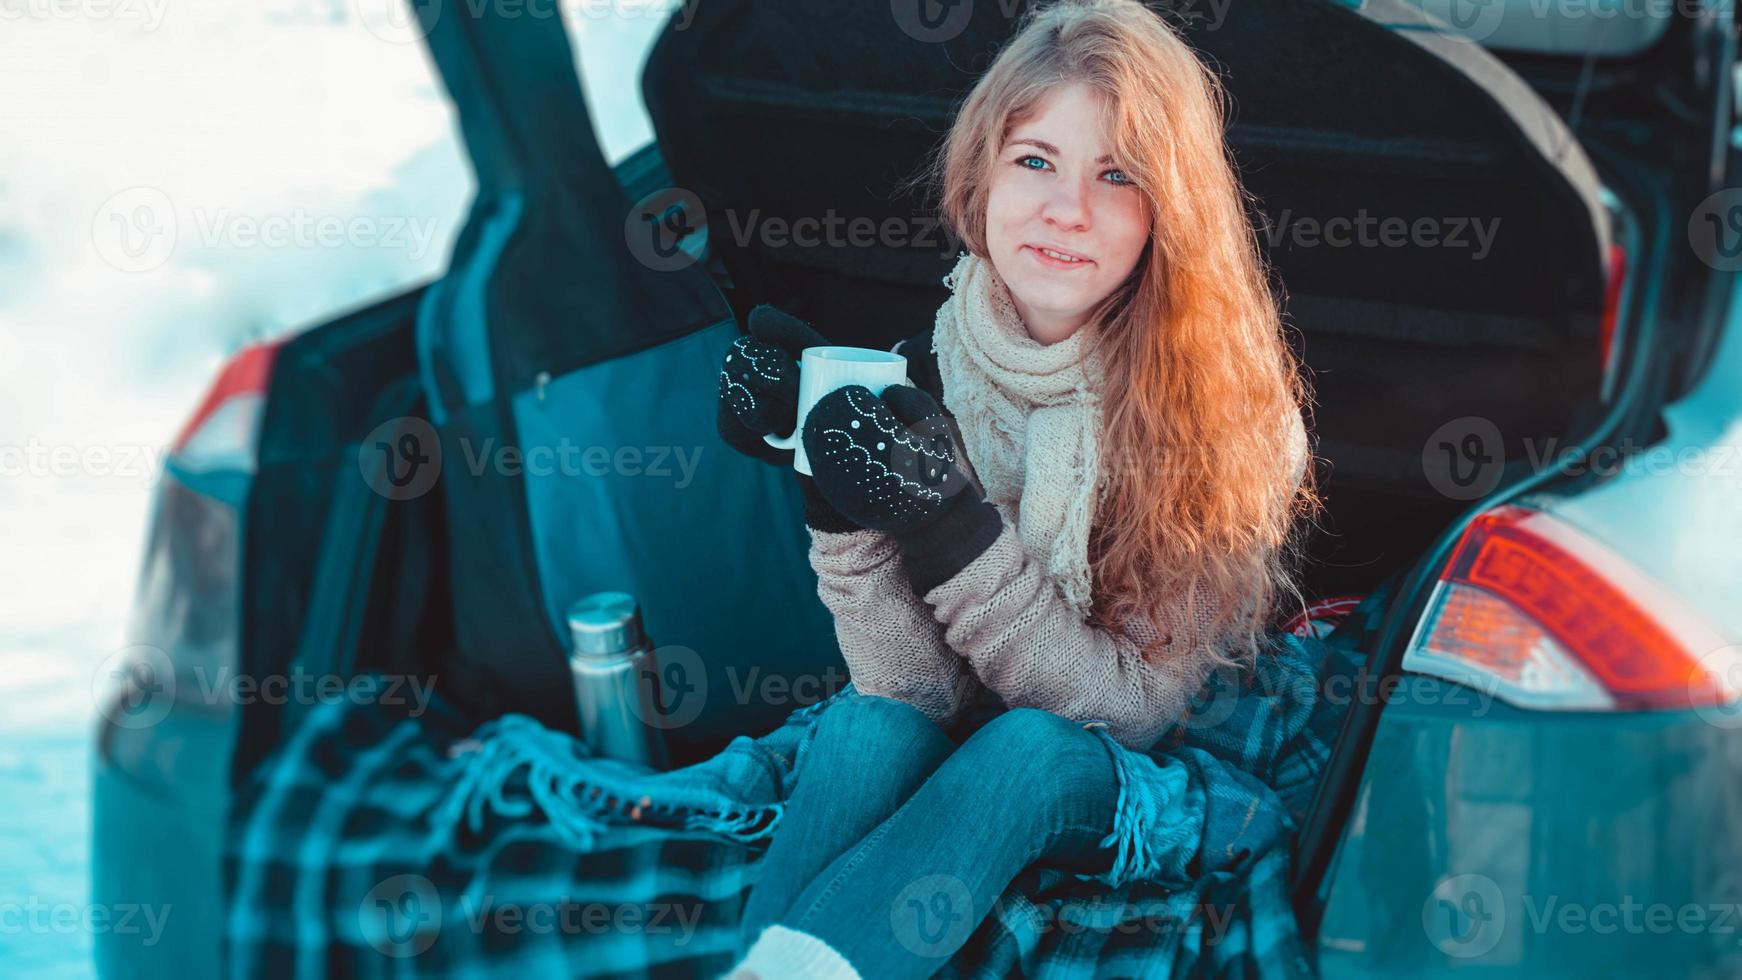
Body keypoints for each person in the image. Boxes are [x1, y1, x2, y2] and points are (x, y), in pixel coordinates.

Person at [711, 1, 1320, 975]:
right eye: (1034, 159)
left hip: (1135, 760)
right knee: (862, 726)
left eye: (1116, 174)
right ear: (979, 175)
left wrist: (955, 532)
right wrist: (832, 498)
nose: (1065, 207)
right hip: (976, 726)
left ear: (1171, 208)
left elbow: (1128, 714)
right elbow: (913, 691)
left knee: (1024, 750)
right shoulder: (936, 368)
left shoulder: (1223, 417)